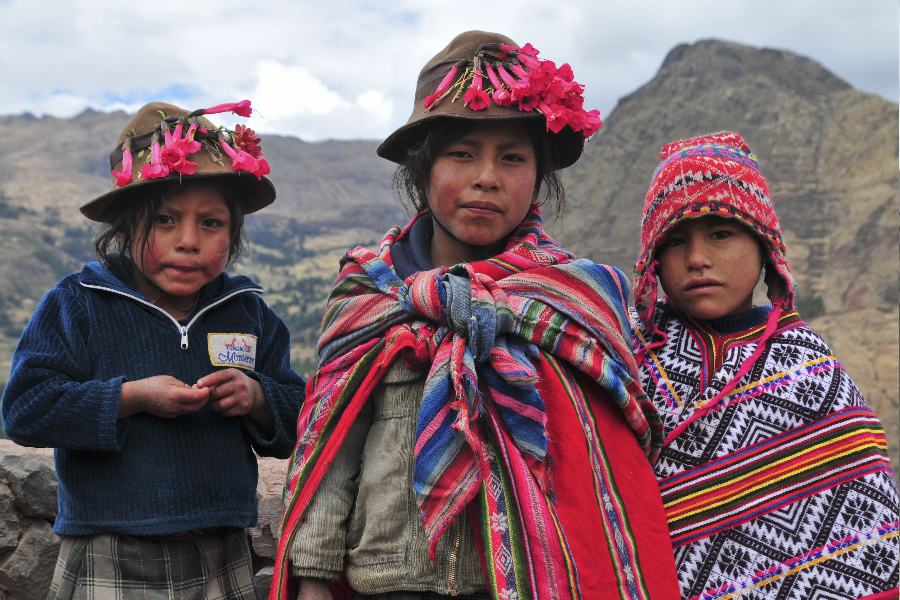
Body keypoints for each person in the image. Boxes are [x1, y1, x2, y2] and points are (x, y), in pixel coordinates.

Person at [272, 31, 680, 600]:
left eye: (512, 158)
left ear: (537, 178)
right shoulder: (368, 296)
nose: (486, 176)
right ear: (423, 167)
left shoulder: (573, 299)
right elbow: (330, 446)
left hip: (524, 583)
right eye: (462, 153)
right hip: (388, 581)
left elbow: (603, 465)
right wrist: (313, 578)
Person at [1, 100, 306, 599]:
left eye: (211, 224)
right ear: (123, 227)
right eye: (165, 220)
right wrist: (131, 398)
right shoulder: (79, 304)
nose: (189, 241)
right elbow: (27, 410)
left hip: (222, 551)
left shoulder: (247, 312)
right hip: (111, 548)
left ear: (234, 233)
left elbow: (301, 420)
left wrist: (256, 397)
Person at [631, 131, 899, 599]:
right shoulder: (621, 358)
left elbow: (867, 533)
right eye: (674, 241)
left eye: (721, 234)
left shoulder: (811, 371)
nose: (697, 259)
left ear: (763, 246)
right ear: (652, 259)